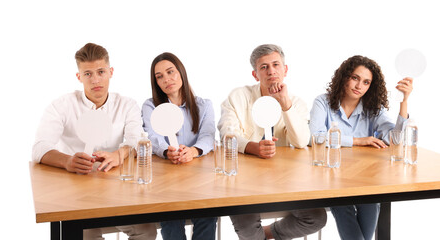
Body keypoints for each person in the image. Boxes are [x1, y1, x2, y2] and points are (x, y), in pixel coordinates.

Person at [32, 43, 157, 240]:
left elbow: (137, 140)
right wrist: (67, 161)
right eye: (88, 74)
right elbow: (39, 148)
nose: (96, 80)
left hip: (117, 191)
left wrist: (119, 154)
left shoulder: (127, 105)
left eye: (101, 72)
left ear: (111, 72)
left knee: (147, 230)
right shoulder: (61, 106)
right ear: (79, 77)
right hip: (76, 193)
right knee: (86, 234)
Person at [218, 44, 327, 240]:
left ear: (285, 70)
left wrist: (286, 106)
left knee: (316, 218)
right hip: (244, 182)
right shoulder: (238, 96)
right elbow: (226, 134)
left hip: (284, 181)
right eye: (264, 67)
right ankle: (257, 235)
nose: (271, 71)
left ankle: (267, 234)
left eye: (276, 65)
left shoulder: (296, 103)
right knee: (248, 230)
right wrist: (252, 147)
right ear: (255, 74)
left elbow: (302, 141)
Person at [309, 55, 413, 240]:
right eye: (355, 78)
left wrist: (403, 101)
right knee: (342, 205)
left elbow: (394, 138)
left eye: (366, 82)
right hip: (332, 179)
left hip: (365, 180)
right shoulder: (322, 102)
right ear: (344, 77)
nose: (359, 86)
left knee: (372, 202)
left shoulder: (372, 108)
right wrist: (358, 141)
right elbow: (315, 137)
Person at [142, 52, 217, 240]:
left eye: (170, 72)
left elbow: (208, 137)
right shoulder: (150, 106)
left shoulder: (204, 105)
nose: (167, 79)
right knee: (171, 218)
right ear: (156, 82)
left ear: (181, 72)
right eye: (159, 77)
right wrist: (168, 152)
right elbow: (153, 137)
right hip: (167, 180)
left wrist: (193, 151)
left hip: (199, 178)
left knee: (208, 215)